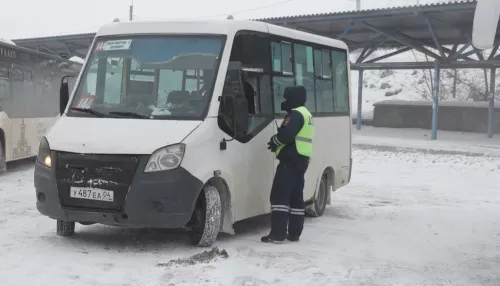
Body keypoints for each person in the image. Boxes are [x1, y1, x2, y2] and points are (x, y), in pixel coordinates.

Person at [262, 85, 314, 244]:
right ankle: (294, 233)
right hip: (301, 160)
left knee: (279, 196)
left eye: (287, 98)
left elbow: (286, 135)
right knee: (296, 197)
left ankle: (277, 234)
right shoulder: (306, 113)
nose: (284, 101)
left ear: (293, 98)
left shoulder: (295, 114)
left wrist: (274, 142)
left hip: (290, 160)